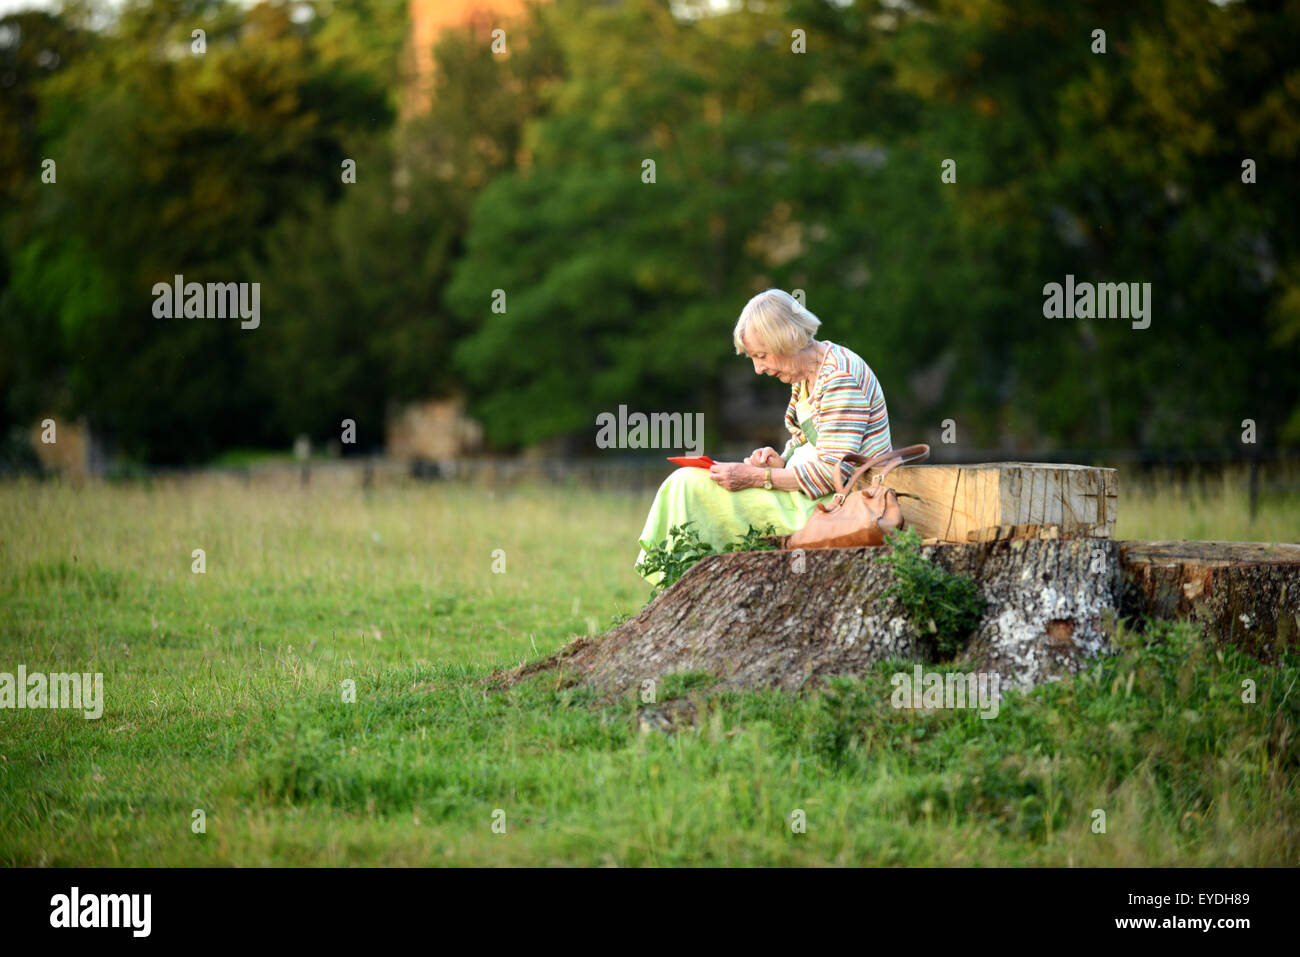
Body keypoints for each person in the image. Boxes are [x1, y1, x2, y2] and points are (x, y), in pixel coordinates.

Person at [635, 288, 893, 583]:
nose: (758, 368)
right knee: (688, 482)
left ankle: (679, 578)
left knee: (691, 488)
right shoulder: (808, 375)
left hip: (835, 507)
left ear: (786, 340)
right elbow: (812, 446)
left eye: (761, 355)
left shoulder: (839, 378)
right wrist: (781, 462)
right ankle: (680, 579)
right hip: (810, 496)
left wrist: (756, 477)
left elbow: (829, 474)